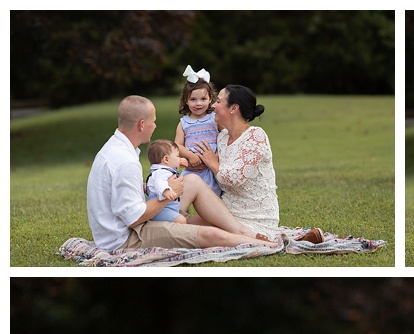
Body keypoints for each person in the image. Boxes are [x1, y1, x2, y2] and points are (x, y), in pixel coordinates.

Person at [86, 95, 281, 251]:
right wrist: (169, 194)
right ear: (142, 125)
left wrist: (150, 187)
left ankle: (242, 231)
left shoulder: (115, 149)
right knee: (210, 234)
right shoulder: (125, 162)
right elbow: (134, 218)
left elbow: (122, 198)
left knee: (193, 181)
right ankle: (269, 246)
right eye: (153, 122)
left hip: (127, 227)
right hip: (127, 238)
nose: (155, 126)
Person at [193, 85, 324, 245]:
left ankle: (273, 241)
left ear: (234, 108)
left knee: (204, 236)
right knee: (186, 227)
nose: (213, 105)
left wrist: (213, 163)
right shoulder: (222, 137)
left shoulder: (256, 136)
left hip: (256, 217)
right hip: (226, 213)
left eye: (218, 101)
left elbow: (234, 178)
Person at [175, 65, 221, 196]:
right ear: (186, 100)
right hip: (193, 168)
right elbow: (177, 145)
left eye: (203, 99)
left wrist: (216, 157)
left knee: (214, 197)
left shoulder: (214, 119)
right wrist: (191, 156)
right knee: (184, 193)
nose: (198, 103)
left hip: (212, 167)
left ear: (211, 99)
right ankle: (183, 214)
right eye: (193, 99)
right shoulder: (184, 123)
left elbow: (224, 138)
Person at [145, 140, 189, 225]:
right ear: (166, 159)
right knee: (181, 220)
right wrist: (166, 191)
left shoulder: (163, 171)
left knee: (179, 218)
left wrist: (177, 165)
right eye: (177, 156)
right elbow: (159, 183)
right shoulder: (161, 172)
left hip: (166, 208)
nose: (179, 158)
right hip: (161, 210)